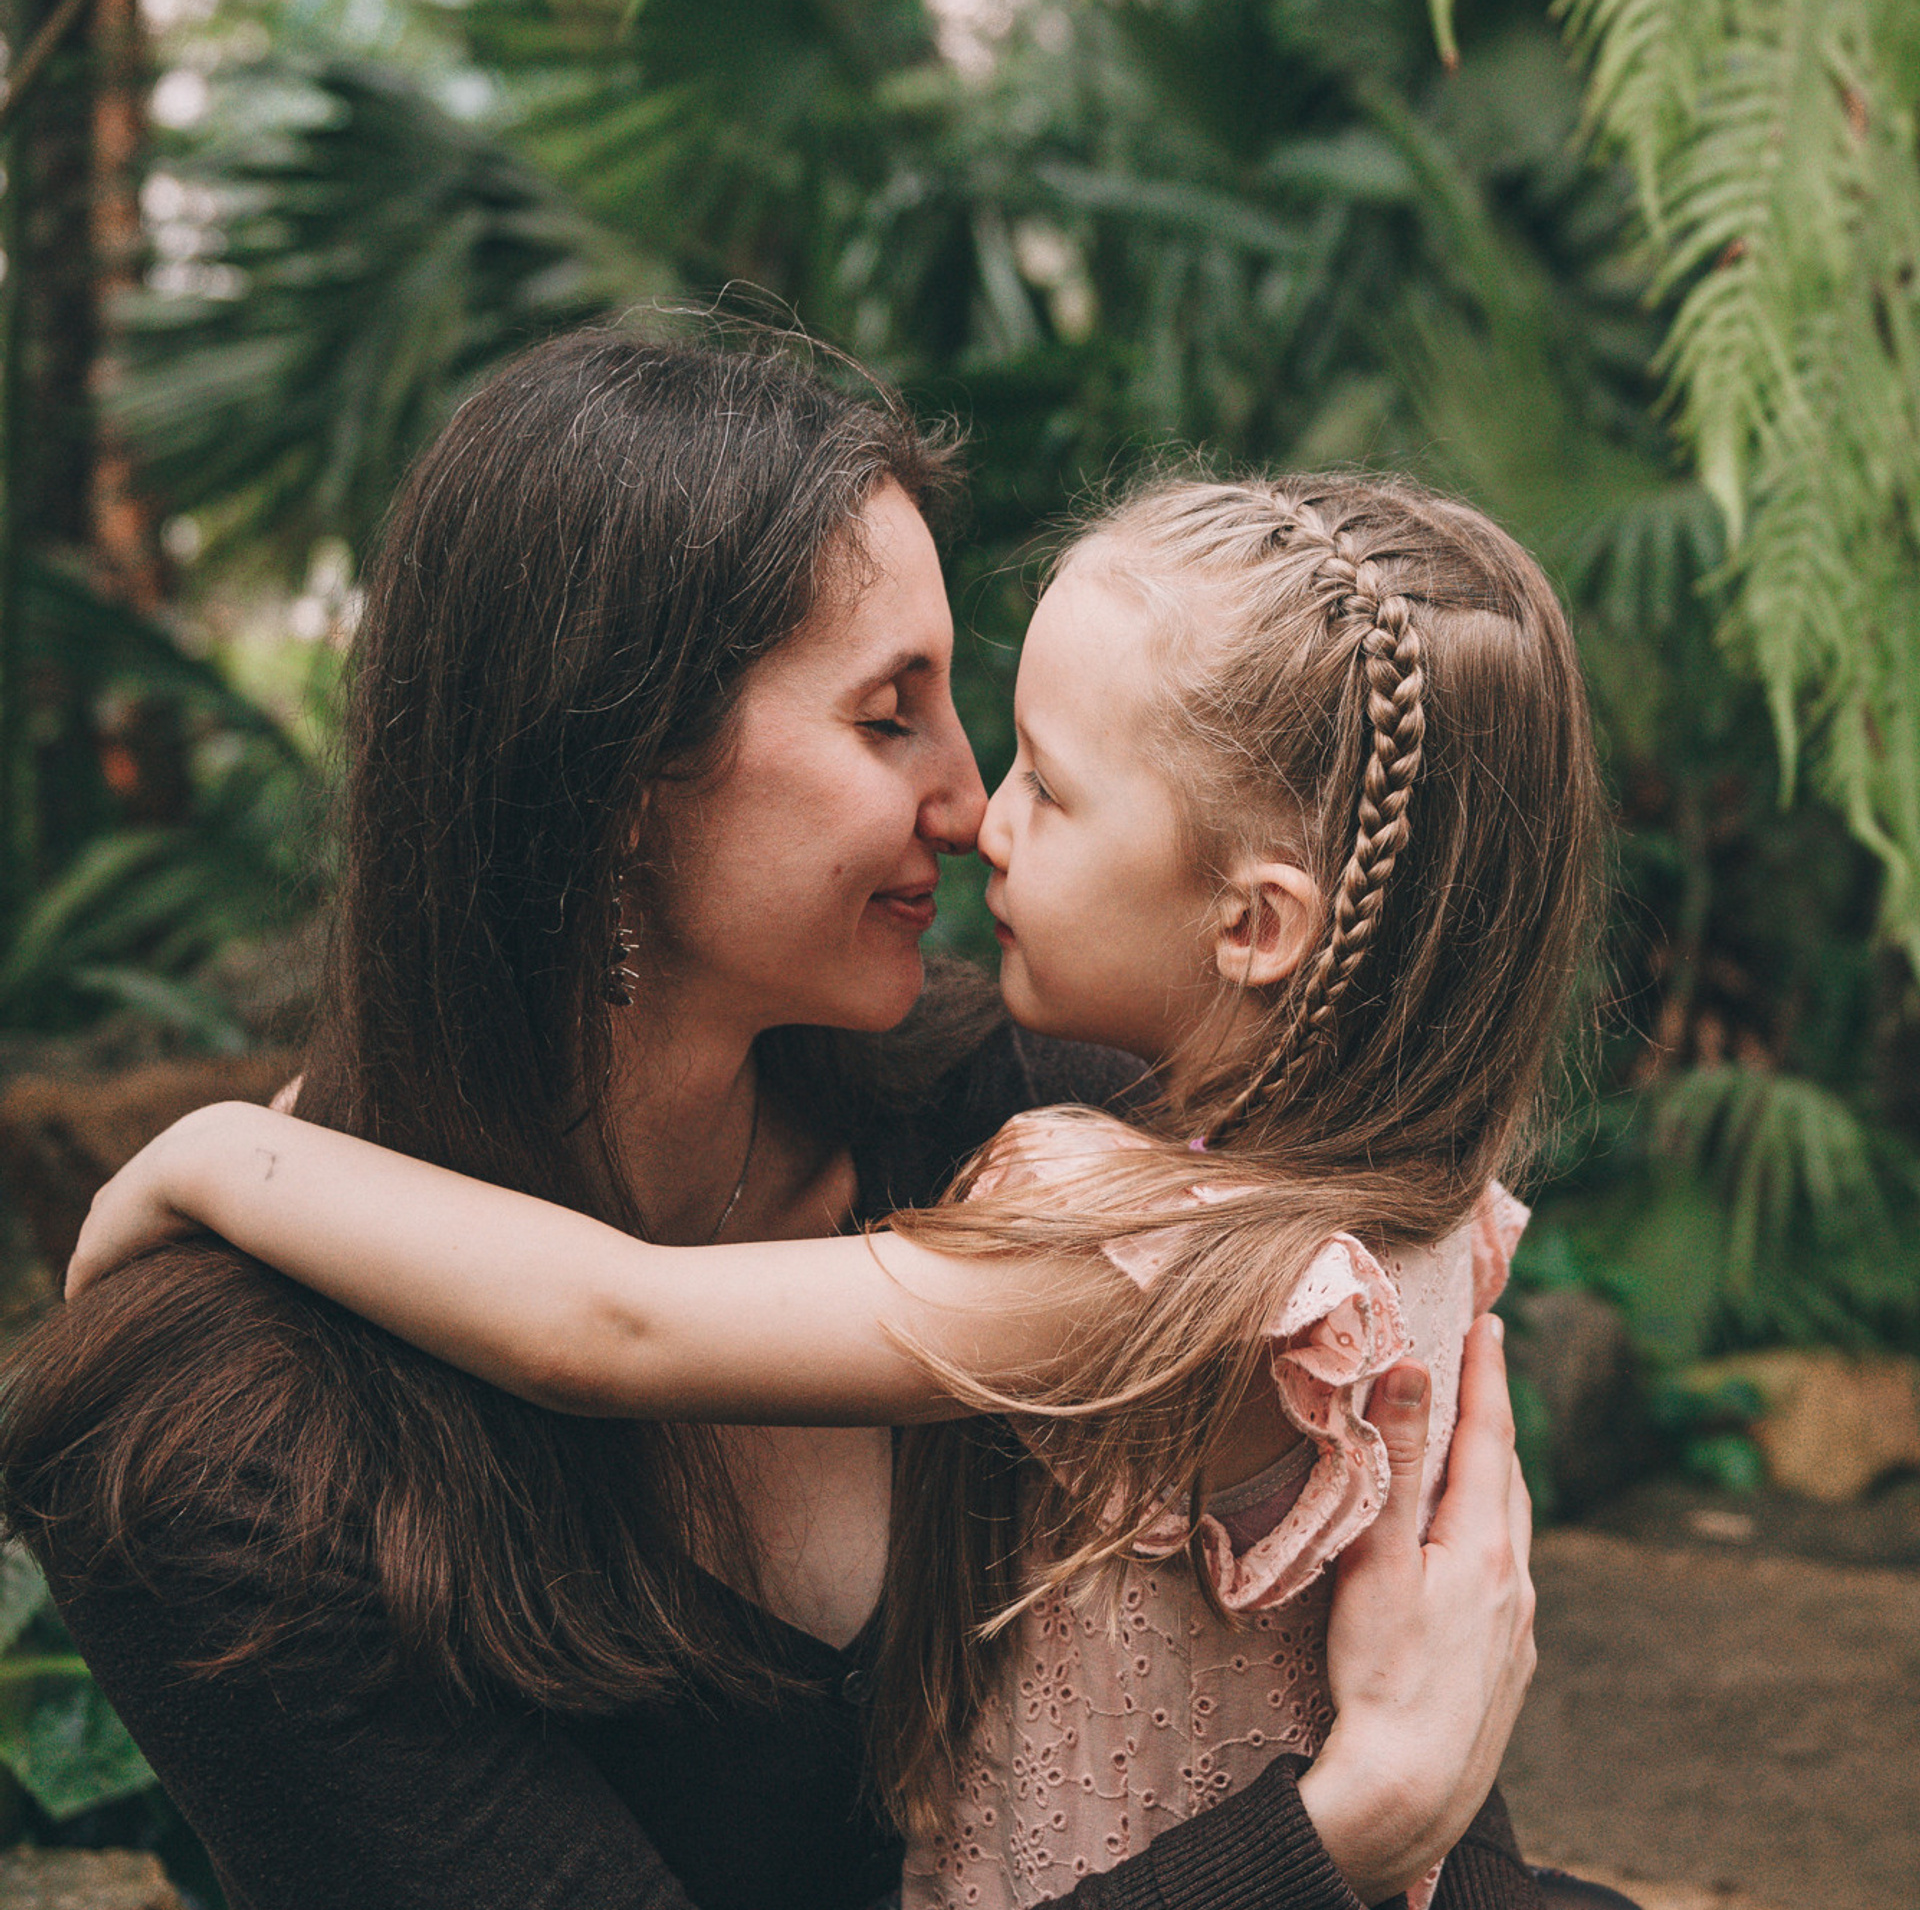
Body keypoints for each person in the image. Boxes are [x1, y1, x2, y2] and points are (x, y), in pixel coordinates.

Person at [54, 437, 1592, 1907]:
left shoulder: (1157, 1262)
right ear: (618, 775)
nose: (980, 813)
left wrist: (225, 1153)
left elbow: (610, 1323)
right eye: (892, 715)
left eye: (1050, 787)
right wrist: (1361, 1823)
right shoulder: (1400, 1222)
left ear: (1255, 926)